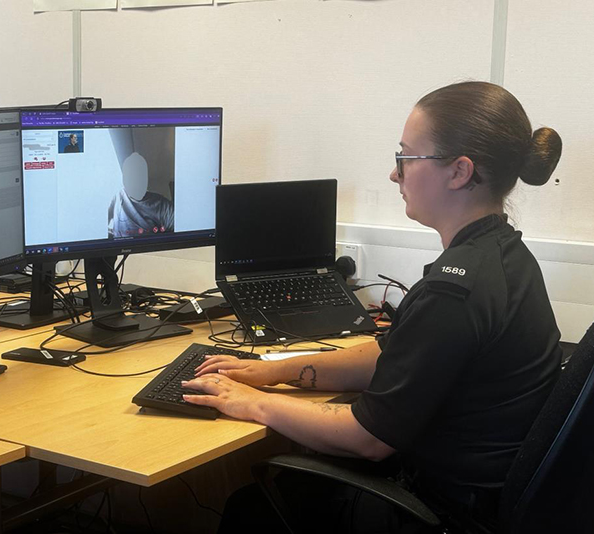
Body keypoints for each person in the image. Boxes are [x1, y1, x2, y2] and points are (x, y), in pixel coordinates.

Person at [183, 81, 563, 532]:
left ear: (459, 172)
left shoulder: (455, 292)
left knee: (253, 511)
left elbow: (368, 439)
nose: (395, 174)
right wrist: (276, 370)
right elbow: (393, 354)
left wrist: (254, 403)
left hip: (439, 512)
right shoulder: (503, 256)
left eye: (405, 157)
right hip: (476, 497)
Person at [108, 151, 174, 238]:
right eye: (132, 177)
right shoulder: (116, 197)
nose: (136, 182)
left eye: (140, 176)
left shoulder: (162, 205)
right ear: (124, 180)